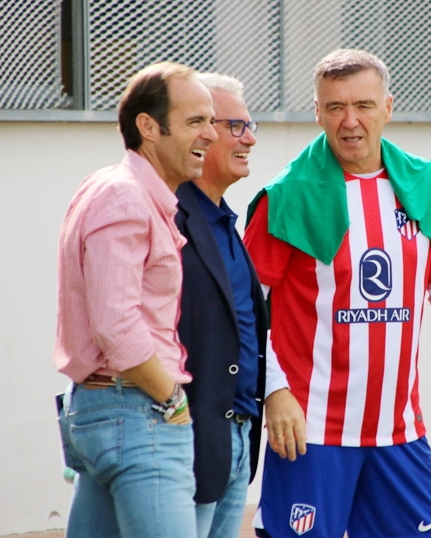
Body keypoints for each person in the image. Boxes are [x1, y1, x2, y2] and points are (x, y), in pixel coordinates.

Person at [244, 49, 431, 538]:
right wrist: (274, 389)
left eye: (364, 105)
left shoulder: (426, 183)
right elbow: (245, 307)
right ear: (318, 111)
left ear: (387, 107)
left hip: (399, 432)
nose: (350, 121)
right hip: (310, 434)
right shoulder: (287, 194)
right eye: (335, 108)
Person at [55, 62, 216, 537]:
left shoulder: (114, 189)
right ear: (148, 126)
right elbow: (116, 327)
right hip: (138, 413)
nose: (210, 133)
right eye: (195, 122)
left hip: (112, 413)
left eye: (210, 120)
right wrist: (172, 400)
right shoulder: (125, 197)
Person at [175, 73, 267, 538]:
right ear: (202, 131)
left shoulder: (226, 222)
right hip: (189, 443)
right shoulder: (169, 219)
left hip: (237, 440)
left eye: (251, 126)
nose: (249, 138)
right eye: (236, 126)